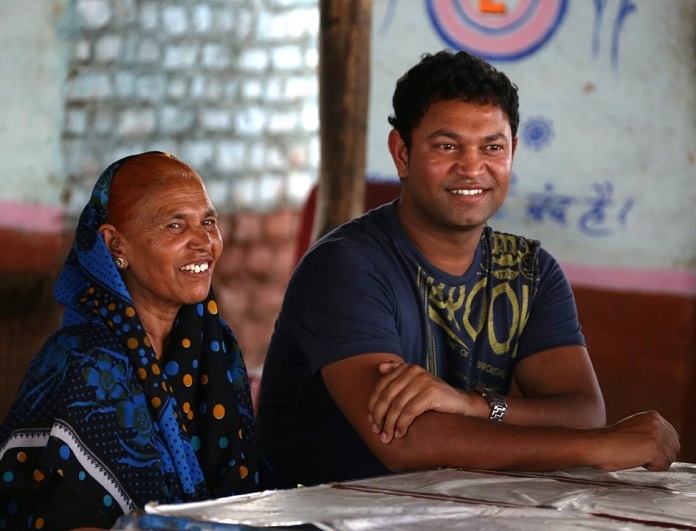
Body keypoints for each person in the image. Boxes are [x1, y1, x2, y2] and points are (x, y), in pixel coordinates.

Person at [255, 50, 680, 488]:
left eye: (492, 147)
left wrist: (472, 404)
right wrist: (595, 448)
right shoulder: (345, 267)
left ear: (512, 150)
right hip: (311, 515)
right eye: (447, 145)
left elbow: (582, 410)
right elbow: (407, 442)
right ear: (402, 153)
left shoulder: (530, 270)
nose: (473, 167)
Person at [0, 152, 261, 529]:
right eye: (175, 225)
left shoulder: (216, 346)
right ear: (115, 246)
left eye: (208, 221)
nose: (205, 242)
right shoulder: (87, 362)